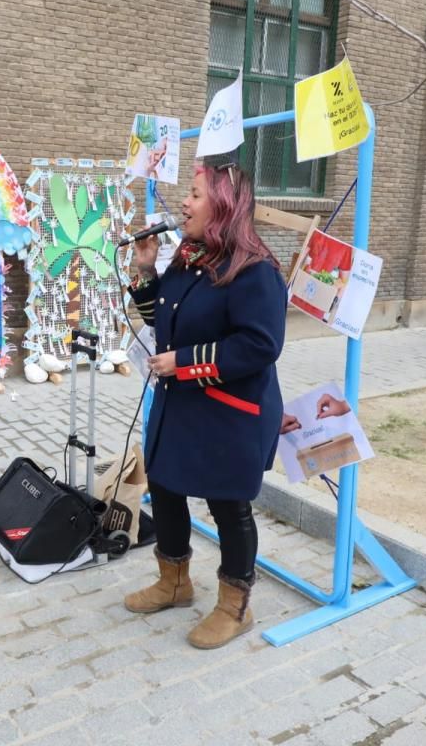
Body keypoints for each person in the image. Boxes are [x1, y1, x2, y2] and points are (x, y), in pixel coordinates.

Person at [124, 162, 287, 649]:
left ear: (224, 206)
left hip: (228, 411)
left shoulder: (255, 270)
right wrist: (148, 270)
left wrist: (185, 362)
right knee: (168, 487)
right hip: (182, 404)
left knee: (228, 506)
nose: (186, 204)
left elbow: (260, 346)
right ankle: (175, 583)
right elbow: (167, 322)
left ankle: (235, 607)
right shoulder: (191, 258)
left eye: (195, 195)